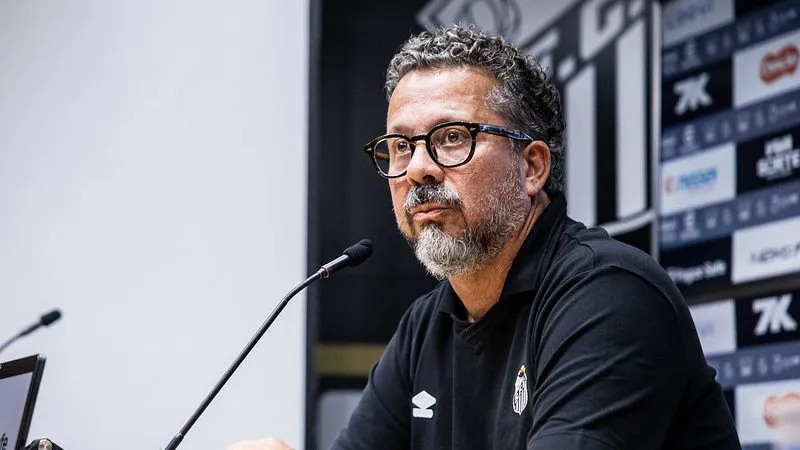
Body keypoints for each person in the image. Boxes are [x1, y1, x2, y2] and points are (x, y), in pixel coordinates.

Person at [228, 24, 741, 449]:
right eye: (401, 146)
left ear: (532, 166)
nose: (419, 169)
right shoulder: (425, 326)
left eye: (452, 138)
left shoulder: (612, 295)